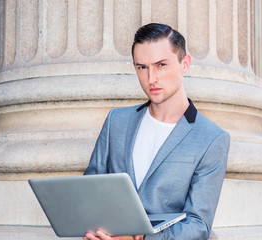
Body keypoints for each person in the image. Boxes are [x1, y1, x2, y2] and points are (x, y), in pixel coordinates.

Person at [83, 23, 230, 240]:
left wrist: (140, 237)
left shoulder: (211, 138)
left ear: (185, 63)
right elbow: (89, 192)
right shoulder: (116, 121)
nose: (151, 78)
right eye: (142, 67)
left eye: (161, 65)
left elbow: (199, 226)